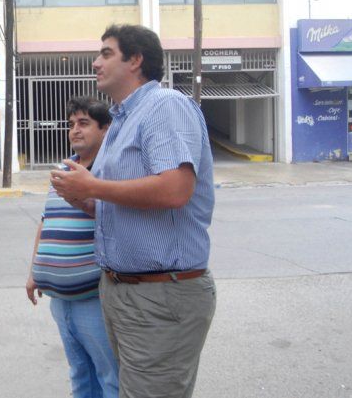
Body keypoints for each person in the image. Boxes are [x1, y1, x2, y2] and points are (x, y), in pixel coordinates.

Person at [51, 24, 216, 398]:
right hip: (121, 291)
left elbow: (176, 189)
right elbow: (121, 203)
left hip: (161, 294)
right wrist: (84, 199)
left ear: (136, 60)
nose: (95, 63)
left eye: (106, 53)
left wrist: (93, 186)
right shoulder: (121, 120)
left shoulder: (164, 106)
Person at [26, 96, 119, 398]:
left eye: (84, 123)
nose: (75, 130)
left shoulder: (110, 172)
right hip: (59, 299)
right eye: (71, 124)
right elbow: (47, 221)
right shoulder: (62, 171)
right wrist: (34, 272)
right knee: (80, 376)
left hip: (94, 298)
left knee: (109, 377)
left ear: (105, 129)